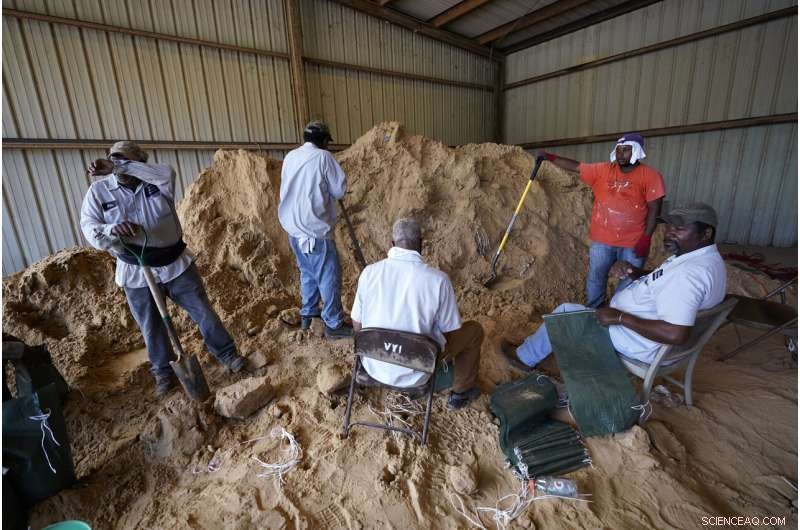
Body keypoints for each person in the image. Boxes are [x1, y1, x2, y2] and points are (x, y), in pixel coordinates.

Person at [80, 141, 246, 396]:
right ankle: (164, 374)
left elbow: (165, 171)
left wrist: (118, 166)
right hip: (136, 269)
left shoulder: (159, 180)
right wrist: (112, 229)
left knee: (203, 312)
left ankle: (228, 355)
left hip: (175, 265)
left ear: (139, 162)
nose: (117, 164)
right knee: (151, 326)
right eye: (113, 158)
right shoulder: (99, 192)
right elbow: (89, 228)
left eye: (124, 159)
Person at [502, 203, 726, 370]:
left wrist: (620, 318)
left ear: (706, 233)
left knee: (565, 312)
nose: (669, 234)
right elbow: (670, 286)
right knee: (579, 313)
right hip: (649, 339)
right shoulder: (706, 261)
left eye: (680, 229)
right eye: (669, 227)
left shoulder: (688, 275)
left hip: (639, 344)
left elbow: (676, 333)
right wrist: (637, 274)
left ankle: (523, 358)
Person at [351, 218, 484, 410]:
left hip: (373, 365)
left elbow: (357, 324)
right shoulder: (438, 280)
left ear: (392, 243)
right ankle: (460, 393)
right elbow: (449, 331)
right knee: (474, 331)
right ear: (421, 244)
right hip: (417, 372)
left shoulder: (369, 273)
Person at [539, 133, 665, 307]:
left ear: (636, 151)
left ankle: (619, 310)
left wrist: (646, 238)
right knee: (596, 277)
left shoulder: (650, 176)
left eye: (626, 150)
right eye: (618, 150)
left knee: (629, 280)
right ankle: (594, 309)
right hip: (602, 240)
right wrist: (550, 157)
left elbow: (654, 210)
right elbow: (576, 166)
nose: (621, 154)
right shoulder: (603, 170)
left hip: (633, 241)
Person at [278, 121, 352, 339]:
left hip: (294, 230)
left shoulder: (290, 157)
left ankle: (309, 314)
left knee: (308, 272)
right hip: (314, 230)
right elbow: (339, 190)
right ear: (324, 141)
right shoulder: (323, 157)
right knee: (329, 275)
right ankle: (334, 324)